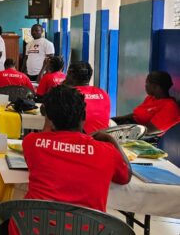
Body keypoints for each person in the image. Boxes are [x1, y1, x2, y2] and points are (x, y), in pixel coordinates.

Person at [11, 85, 130, 234]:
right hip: (88, 231)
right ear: (84, 117)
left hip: (31, 229)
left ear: (49, 118)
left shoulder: (32, 142)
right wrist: (110, 139)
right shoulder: (107, 152)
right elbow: (126, 177)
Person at [112, 71, 180, 134]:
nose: (145, 86)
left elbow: (149, 130)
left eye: (147, 83)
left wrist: (118, 130)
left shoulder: (170, 107)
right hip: (128, 124)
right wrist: (118, 119)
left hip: (136, 133)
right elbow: (137, 114)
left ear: (156, 87)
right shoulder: (151, 98)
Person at [64, 62, 110, 134]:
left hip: (80, 140)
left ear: (70, 74)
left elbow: (45, 110)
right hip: (102, 139)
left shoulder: (69, 93)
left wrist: (63, 84)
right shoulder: (103, 93)